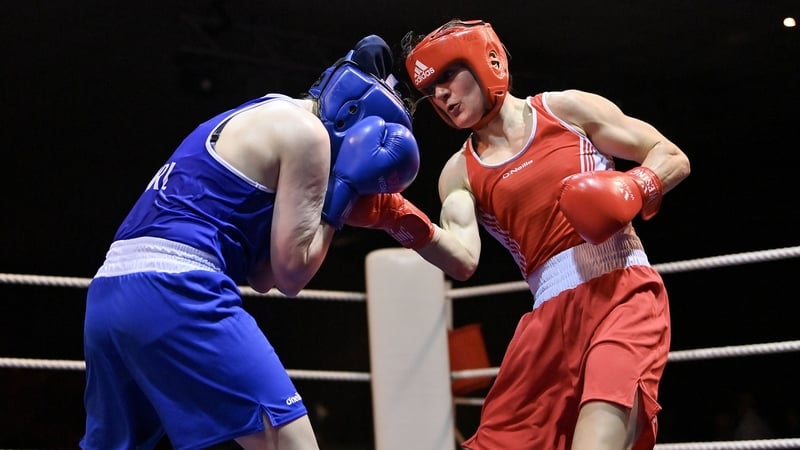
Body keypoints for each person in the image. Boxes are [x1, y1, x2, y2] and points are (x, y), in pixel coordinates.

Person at [344, 19, 691, 450]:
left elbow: (671, 156)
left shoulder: (566, 111)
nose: (441, 96)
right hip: (547, 322)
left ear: (486, 60)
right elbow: (463, 257)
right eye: (431, 90)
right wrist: (396, 217)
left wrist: (632, 187)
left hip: (622, 295)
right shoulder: (459, 171)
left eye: (447, 77)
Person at [80, 34, 419, 450]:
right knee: (292, 444)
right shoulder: (309, 134)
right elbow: (292, 276)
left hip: (109, 293)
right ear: (354, 116)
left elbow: (263, 277)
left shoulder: (262, 110)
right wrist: (343, 189)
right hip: (177, 289)